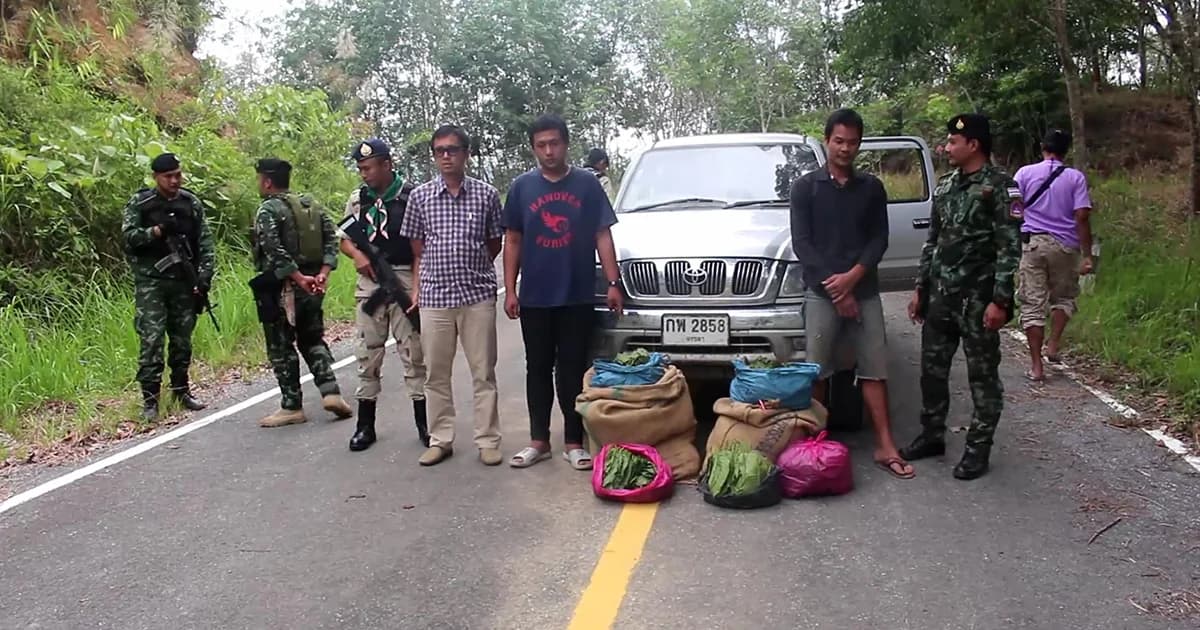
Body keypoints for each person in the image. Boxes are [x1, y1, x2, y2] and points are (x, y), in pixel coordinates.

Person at [789, 108, 913, 480]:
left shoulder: (871, 188)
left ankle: (885, 445)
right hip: (821, 293)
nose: (845, 148)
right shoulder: (805, 188)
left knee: (875, 370)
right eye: (838, 141)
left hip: (865, 292)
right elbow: (803, 244)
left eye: (852, 142)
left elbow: (879, 240)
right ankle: (815, 442)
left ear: (860, 145)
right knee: (817, 372)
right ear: (826, 141)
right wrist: (835, 286)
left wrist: (853, 279)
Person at [901, 114, 1023, 481]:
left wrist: (1001, 301)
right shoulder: (946, 186)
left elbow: (1009, 248)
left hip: (978, 301)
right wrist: (921, 288)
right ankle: (932, 435)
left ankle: (977, 449)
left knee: (982, 377)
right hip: (941, 299)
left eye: (954, 142)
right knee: (932, 372)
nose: (946, 147)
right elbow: (933, 242)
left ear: (974, 145)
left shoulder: (1002, 187)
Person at [502, 114, 624, 471]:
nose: (549, 150)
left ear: (566, 144)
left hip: (577, 293)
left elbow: (603, 234)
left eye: (554, 143)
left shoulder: (586, 184)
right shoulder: (523, 187)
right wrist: (510, 289)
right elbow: (513, 239)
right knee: (536, 368)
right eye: (541, 145)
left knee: (572, 369)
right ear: (533, 148)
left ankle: (574, 441)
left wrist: (613, 283)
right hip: (536, 296)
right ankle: (538, 440)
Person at [400, 125, 505, 467]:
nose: (446, 156)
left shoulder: (487, 195)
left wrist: (469, 266)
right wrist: (419, 286)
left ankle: (488, 440)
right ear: (434, 156)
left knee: (483, 372)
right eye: (439, 151)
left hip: (476, 296)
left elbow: (494, 243)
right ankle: (440, 438)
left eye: (453, 150)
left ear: (466, 154)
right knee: (435, 373)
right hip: (434, 298)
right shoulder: (420, 197)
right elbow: (417, 248)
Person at [249, 158, 353, 427]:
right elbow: (332, 238)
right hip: (313, 285)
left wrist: (297, 277)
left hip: (281, 287)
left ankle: (291, 405)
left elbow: (273, 249)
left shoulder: (268, 210)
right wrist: (322, 274)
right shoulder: (311, 206)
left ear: (267, 181)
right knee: (312, 338)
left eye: (260, 178)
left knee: (281, 346)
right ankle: (330, 391)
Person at [341, 138, 428, 452]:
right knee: (367, 353)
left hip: (403, 276)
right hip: (371, 284)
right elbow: (345, 238)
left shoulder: (412, 196)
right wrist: (357, 255)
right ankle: (365, 425)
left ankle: (425, 423)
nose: (364, 174)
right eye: (360, 169)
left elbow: (422, 246)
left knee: (414, 354)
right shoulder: (357, 200)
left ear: (387, 164)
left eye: (369, 168)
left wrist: (417, 287)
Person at [121, 152, 215, 422]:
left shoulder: (190, 203)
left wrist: (203, 277)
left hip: (183, 282)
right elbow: (129, 238)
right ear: (155, 177)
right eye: (168, 176)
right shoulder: (142, 203)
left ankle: (181, 390)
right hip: (152, 282)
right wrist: (158, 231)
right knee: (151, 340)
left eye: (178, 175)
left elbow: (205, 243)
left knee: (182, 339)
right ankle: (150, 400)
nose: (175, 181)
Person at [1014, 129, 1095, 382]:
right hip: (1065, 246)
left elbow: (1014, 210)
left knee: (1032, 304)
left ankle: (1037, 367)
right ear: (1066, 150)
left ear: (1042, 147)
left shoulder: (1024, 173)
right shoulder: (1075, 177)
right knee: (1064, 297)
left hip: (1033, 245)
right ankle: (1053, 345)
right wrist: (1087, 253)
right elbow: (1082, 216)